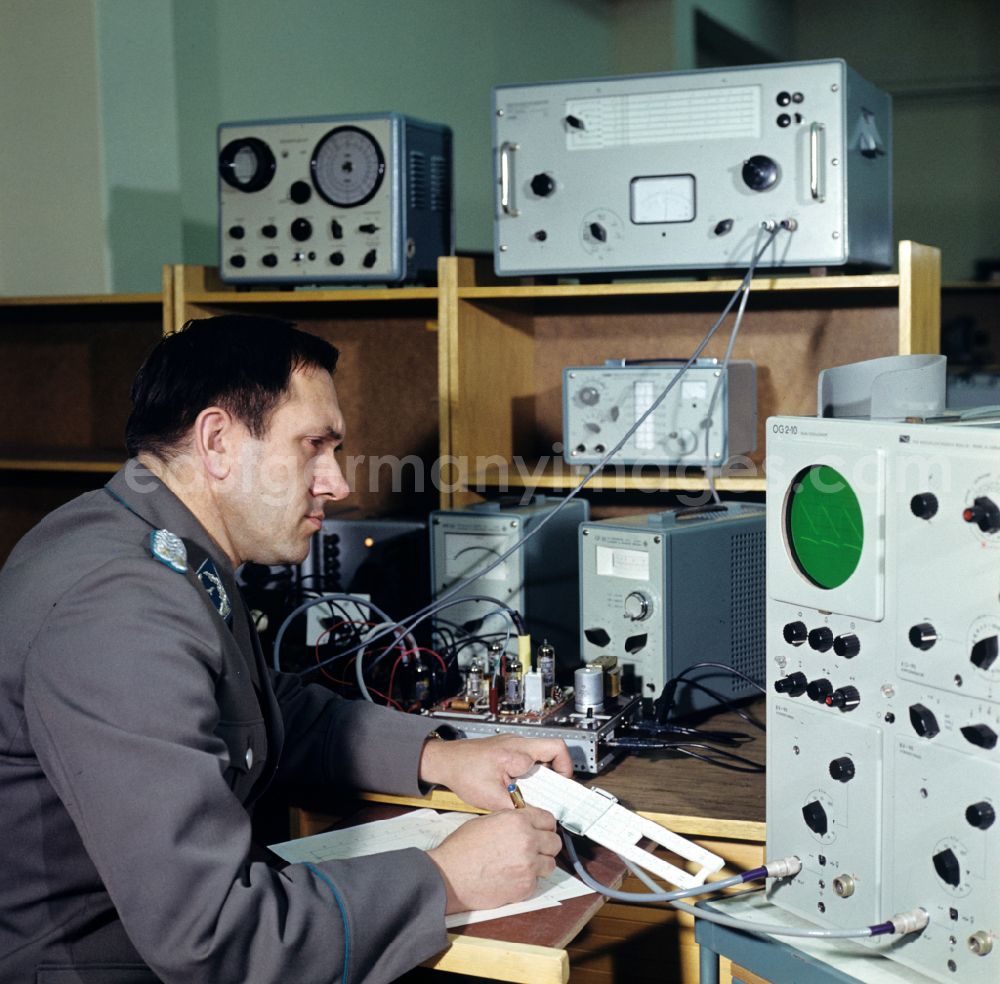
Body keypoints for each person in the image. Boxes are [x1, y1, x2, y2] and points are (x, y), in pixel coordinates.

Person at [0, 315, 571, 984]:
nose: (338, 483)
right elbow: (213, 938)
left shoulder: (148, 542)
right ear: (217, 442)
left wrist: (439, 755)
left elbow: (255, 709)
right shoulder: (120, 609)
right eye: (314, 445)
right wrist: (447, 878)